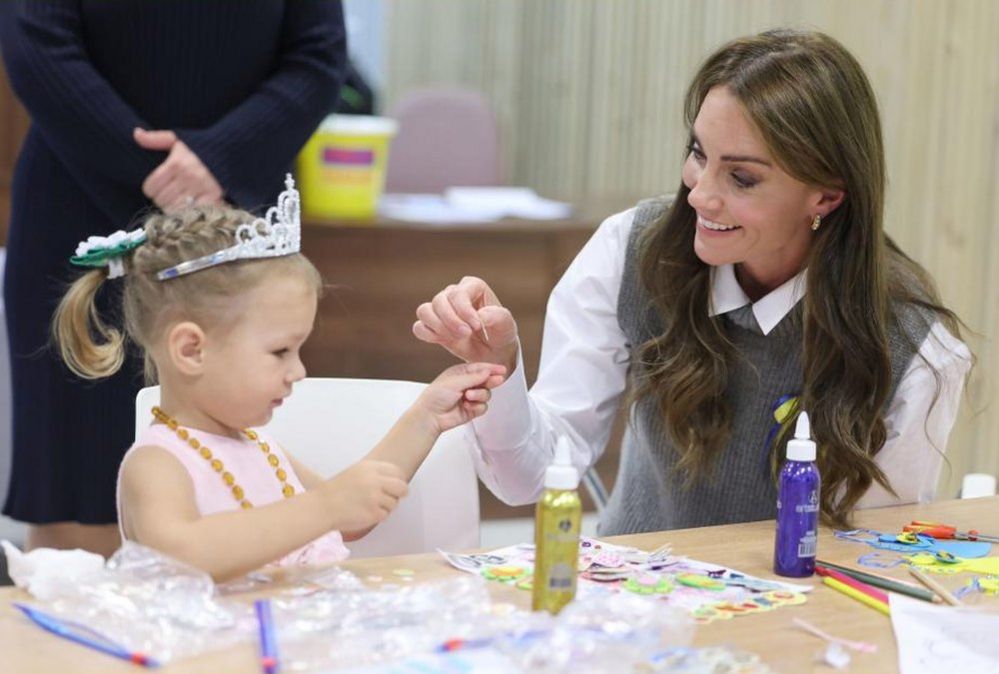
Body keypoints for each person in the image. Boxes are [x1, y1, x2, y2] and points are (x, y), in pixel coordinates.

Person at [412, 29, 972, 534]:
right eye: (698, 154)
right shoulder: (631, 250)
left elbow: (872, 553)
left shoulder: (917, 350)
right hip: (633, 604)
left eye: (743, 177)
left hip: (792, 626)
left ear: (825, 196)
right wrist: (503, 367)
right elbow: (528, 480)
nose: (700, 193)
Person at [0, 1, 348, 556]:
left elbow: (319, 56)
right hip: (79, 195)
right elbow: (35, 41)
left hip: (235, 215)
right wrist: (161, 174)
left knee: (239, 436)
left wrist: (219, 159)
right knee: (75, 478)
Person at [52, 177, 506, 581]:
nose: (299, 371)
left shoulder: (259, 446)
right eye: (280, 352)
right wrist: (325, 506)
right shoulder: (156, 464)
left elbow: (349, 515)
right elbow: (182, 555)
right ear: (191, 350)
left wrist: (425, 418)